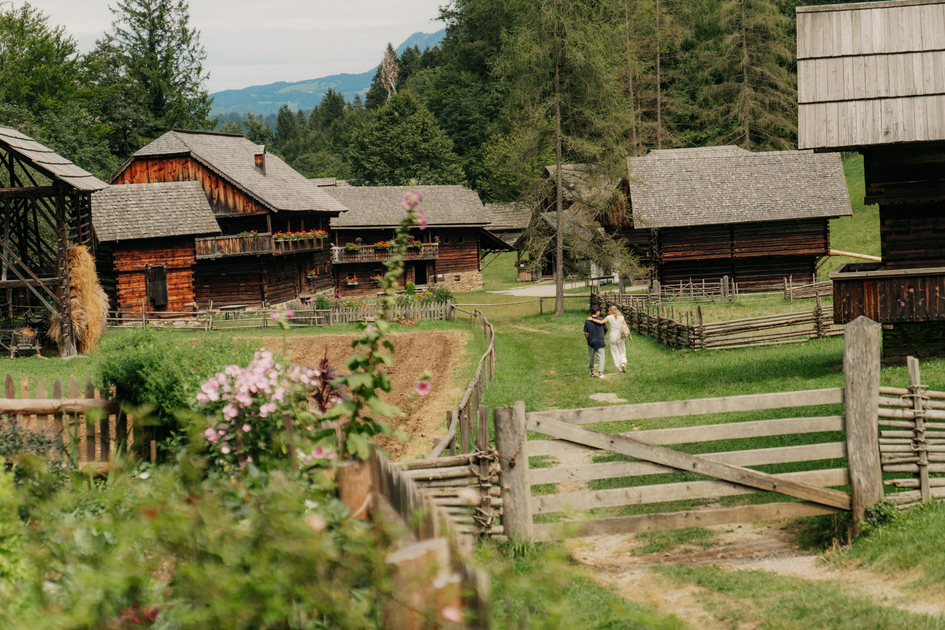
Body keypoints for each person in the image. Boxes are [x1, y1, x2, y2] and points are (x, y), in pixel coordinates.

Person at [603, 305, 629, 374]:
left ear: (611, 311)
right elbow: (626, 326)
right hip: (620, 336)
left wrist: (593, 319)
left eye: (609, 310)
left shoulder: (609, 317)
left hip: (612, 336)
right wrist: (630, 335)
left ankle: (620, 369)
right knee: (622, 350)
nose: (608, 312)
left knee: (615, 352)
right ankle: (623, 362)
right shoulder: (621, 317)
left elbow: (602, 322)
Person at [584, 307, 608, 378]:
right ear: (597, 312)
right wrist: (603, 336)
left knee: (591, 356)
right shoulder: (601, 320)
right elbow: (605, 330)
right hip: (600, 341)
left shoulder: (587, 320)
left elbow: (585, 332)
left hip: (591, 341)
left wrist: (587, 339)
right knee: (601, 357)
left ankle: (591, 371)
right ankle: (600, 372)